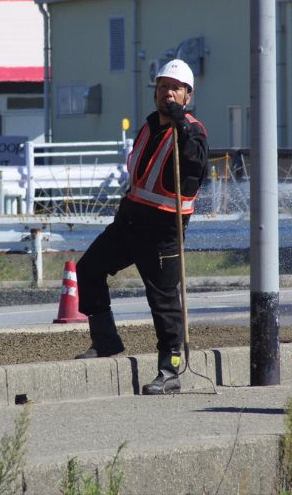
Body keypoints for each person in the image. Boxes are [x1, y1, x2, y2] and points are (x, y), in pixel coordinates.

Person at [74, 59, 208, 395]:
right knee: (89, 269)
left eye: (175, 88)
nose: (167, 93)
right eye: (162, 87)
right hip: (130, 221)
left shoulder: (192, 130)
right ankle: (105, 341)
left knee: (164, 303)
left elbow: (195, 164)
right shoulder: (149, 126)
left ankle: (171, 370)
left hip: (163, 230)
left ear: (187, 95)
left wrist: (180, 123)